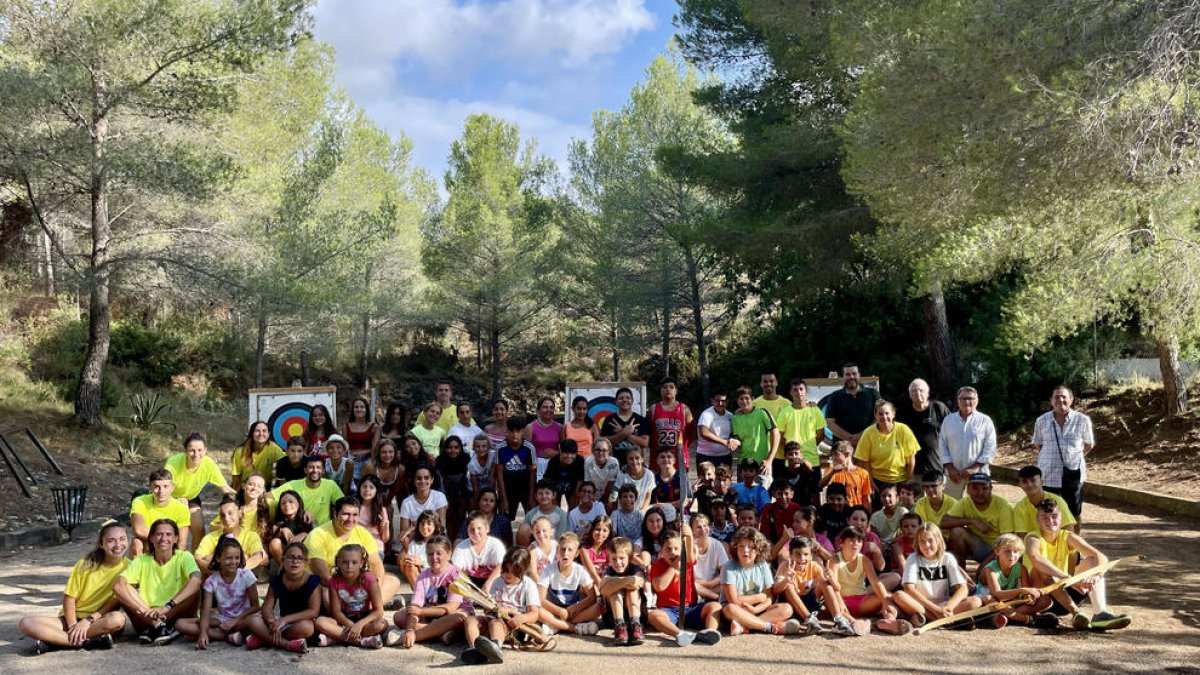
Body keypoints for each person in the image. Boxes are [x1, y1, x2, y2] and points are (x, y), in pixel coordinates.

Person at [18, 521, 129, 654]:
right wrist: (73, 626)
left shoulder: (130, 567)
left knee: (117, 619)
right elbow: (69, 598)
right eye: (111, 540)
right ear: (101, 543)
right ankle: (85, 642)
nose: (118, 545)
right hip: (72, 618)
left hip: (99, 620)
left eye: (122, 539)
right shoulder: (85, 565)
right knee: (26, 623)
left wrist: (89, 620)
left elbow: (115, 603)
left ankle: (56, 642)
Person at [1024, 499, 1131, 631]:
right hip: (1043, 599)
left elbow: (1101, 556)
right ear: (1037, 520)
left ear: (1061, 518)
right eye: (1045, 517)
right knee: (1041, 569)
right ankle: (1075, 613)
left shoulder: (1067, 536)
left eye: (1054, 516)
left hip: (1066, 590)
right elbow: (1035, 558)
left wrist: (1097, 575)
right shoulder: (1033, 537)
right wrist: (1065, 577)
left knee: (1092, 561)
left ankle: (1100, 613)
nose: (1050, 521)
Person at [113, 519, 201, 645]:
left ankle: (159, 628)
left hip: (176, 611)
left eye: (168, 534)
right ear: (151, 538)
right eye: (159, 534)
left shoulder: (184, 556)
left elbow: (196, 580)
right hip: (147, 616)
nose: (163, 538)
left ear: (176, 538)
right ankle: (157, 625)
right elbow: (118, 586)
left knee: (194, 586)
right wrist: (145, 611)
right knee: (123, 589)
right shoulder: (142, 560)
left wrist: (167, 607)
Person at [306, 497, 403, 604]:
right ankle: (363, 608)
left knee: (392, 581)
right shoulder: (317, 535)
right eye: (346, 514)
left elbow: (376, 564)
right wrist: (347, 593)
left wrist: (375, 591)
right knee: (325, 592)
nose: (350, 519)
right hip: (330, 587)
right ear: (335, 513)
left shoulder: (362, 532)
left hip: (356, 586)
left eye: (355, 515)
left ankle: (368, 607)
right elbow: (323, 575)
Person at [824, 526, 918, 635]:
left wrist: (885, 601)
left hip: (862, 602)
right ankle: (853, 622)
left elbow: (875, 582)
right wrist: (840, 602)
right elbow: (834, 588)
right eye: (852, 540)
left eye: (859, 541)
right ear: (842, 543)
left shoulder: (864, 560)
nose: (856, 544)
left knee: (887, 597)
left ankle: (889, 621)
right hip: (842, 600)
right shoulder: (835, 560)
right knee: (835, 603)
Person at [395, 534, 481, 649]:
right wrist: (410, 629)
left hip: (453, 614)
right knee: (399, 617)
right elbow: (415, 606)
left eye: (439, 553)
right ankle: (441, 633)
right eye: (430, 554)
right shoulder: (423, 576)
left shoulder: (456, 574)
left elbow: (451, 607)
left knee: (459, 617)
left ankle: (416, 636)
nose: (434, 557)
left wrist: (420, 613)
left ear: (449, 554)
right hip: (433, 615)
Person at [177, 537, 259, 648]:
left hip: (243, 618)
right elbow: (206, 611)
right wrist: (203, 633)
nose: (233, 562)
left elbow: (255, 606)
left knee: (254, 621)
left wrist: (235, 620)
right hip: (222, 620)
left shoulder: (247, 575)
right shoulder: (211, 581)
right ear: (218, 558)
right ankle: (226, 636)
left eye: (237, 558)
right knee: (180, 624)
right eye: (228, 558)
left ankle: (221, 634)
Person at [647, 527, 724, 646]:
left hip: (690, 608)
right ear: (661, 550)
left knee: (715, 606)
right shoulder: (657, 565)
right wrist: (673, 568)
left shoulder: (686, 561)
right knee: (653, 615)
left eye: (676, 548)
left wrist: (688, 537)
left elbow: (691, 555)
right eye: (668, 549)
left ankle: (710, 632)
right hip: (668, 610)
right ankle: (679, 634)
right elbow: (659, 586)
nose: (673, 552)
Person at [1031, 386, 1094, 529]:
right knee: (1047, 512)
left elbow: (1089, 444)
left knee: (1074, 512)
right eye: (1056, 397)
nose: (1060, 400)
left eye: (1064, 396)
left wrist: (1073, 458)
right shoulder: (1041, 420)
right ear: (1051, 400)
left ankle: (1075, 542)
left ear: (1071, 399)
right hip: (1048, 475)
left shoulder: (1082, 420)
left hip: (1073, 474)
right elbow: (1039, 444)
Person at [314, 543, 398, 649]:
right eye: (345, 562)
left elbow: (378, 611)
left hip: (364, 620)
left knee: (381, 624)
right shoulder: (334, 582)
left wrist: (359, 625)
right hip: (343, 621)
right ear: (338, 562)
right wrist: (350, 625)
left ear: (361, 563)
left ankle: (337, 638)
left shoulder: (370, 579)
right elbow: (336, 612)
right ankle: (362, 641)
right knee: (320, 622)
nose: (349, 566)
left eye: (354, 562)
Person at [901, 522, 983, 628]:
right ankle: (945, 620)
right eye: (922, 541)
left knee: (975, 601)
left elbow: (963, 588)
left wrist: (948, 607)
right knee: (899, 596)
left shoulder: (947, 558)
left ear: (938, 541)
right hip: (922, 604)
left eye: (930, 540)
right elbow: (908, 588)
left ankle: (933, 619)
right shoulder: (913, 558)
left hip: (943, 604)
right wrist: (936, 610)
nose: (926, 545)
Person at [721, 526, 800, 635]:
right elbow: (734, 601)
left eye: (751, 547)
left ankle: (746, 626)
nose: (745, 551)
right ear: (735, 548)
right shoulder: (728, 567)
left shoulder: (762, 565)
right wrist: (759, 597)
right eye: (741, 547)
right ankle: (770, 627)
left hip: (758, 609)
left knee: (787, 609)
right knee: (730, 608)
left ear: (759, 550)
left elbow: (769, 597)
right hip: (737, 611)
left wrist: (756, 610)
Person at [165, 432, 236, 551]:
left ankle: (194, 560)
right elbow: (164, 487)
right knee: (179, 533)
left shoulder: (208, 464)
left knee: (199, 528)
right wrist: (176, 502)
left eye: (200, 450)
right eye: (192, 451)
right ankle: (174, 558)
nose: (196, 454)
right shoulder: (174, 462)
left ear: (205, 450)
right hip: (169, 498)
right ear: (185, 451)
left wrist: (245, 497)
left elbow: (225, 488)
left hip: (191, 498)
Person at [244, 541, 318, 653]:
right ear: (283, 560)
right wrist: (271, 623)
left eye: (300, 558)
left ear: (305, 562)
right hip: (281, 624)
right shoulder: (277, 580)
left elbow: (313, 611)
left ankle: (265, 638)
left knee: (308, 627)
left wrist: (285, 619)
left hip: (299, 623)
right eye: (291, 557)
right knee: (252, 620)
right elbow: (266, 607)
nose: (295, 561)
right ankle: (287, 644)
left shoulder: (312, 581)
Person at [977, 533, 1058, 629]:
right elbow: (997, 594)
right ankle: (1027, 619)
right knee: (992, 601)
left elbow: (1026, 592)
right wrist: (1021, 591)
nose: (1011, 555)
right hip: (990, 601)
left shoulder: (1021, 568)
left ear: (1020, 554)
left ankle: (1008, 617)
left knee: (1046, 601)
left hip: (1009, 603)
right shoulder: (990, 569)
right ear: (997, 551)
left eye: (1016, 551)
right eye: (1007, 551)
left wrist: (1029, 598)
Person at [477, 548, 541, 662]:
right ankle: (473, 648)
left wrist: (522, 618)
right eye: (506, 570)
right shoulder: (497, 582)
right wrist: (487, 606)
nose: (508, 574)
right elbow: (488, 610)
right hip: (494, 618)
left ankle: (496, 648)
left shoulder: (528, 585)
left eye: (514, 572)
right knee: (471, 620)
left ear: (523, 570)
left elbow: (534, 614)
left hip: (512, 625)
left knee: (495, 622)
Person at [853, 400, 919, 507]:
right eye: (880, 414)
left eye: (887, 413)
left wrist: (909, 480)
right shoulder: (868, 433)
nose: (884, 417)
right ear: (875, 416)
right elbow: (864, 460)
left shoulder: (903, 430)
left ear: (893, 414)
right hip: (877, 481)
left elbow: (911, 458)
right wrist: (870, 481)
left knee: (902, 512)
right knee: (878, 511)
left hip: (900, 480)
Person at [536, 532, 604, 635]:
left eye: (570, 550)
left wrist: (572, 609)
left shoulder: (580, 570)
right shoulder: (549, 570)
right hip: (553, 611)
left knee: (599, 607)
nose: (565, 553)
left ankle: (556, 625)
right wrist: (559, 611)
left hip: (573, 612)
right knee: (536, 609)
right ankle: (574, 628)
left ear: (576, 553)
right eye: (563, 549)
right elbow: (540, 599)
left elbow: (592, 596)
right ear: (558, 551)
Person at [941, 472, 1013, 566]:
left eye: (984, 488)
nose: (980, 493)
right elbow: (943, 522)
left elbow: (1007, 541)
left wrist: (984, 565)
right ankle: (960, 571)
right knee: (956, 532)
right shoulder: (966, 502)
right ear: (968, 489)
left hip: (999, 551)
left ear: (991, 489)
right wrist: (972, 521)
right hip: (978, 547)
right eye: (975, 488)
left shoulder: (1003, 506)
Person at [938, 386, 997, 498]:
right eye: (963, 398)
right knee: (951, 505)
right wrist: (950, 468)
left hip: (978, 473)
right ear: (958, 401)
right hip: (954, 474)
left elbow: (990, 447)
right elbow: (942, 445)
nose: (967, 401)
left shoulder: (985, 421)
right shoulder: (948, 420)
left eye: (971, 398)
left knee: (979, 503)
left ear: (977, 400)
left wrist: (974, 468)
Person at [894, 378, 950, 478]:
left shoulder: (938, 408)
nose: (917, 393)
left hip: (936, 468)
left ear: (928, 393)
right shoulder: (904, 412)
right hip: (912, 471)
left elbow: (951, 435)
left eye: (921, 390)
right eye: (914, 391)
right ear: (910, 395)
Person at [194, 496, 266, 572]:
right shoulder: (210, 537)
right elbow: (198, 557)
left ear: (240, 513)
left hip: (243, 576)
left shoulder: (251, 536)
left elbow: (258, 556)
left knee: (244, 557)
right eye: (223, 515)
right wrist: (215, 570)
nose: (226, 518)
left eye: (230, 513)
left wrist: (236, 571)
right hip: (217, 575)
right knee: (207, 559)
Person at [771, 536, 827, 634]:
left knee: (826, 584)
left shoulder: (815, 566)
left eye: (806, 554)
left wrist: (829, 580)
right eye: (797, 554)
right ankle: (809, 619)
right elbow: (774, 591)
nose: (802, 558)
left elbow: (827, 588)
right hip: (792, 605)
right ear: (790, 555)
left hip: (810, 604)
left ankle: (839, 619)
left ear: (811, 555)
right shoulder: (785, 566)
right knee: (788, 585)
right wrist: (786, 580)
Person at [130, 469, 192, 556]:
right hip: (149, 545)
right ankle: (139, 565)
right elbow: (139, 530)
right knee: (137, 543)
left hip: (169, 547)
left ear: (172, 487)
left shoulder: (181, 508)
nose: (161, 491)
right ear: (150, 487)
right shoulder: (139, 502)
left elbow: (182, 542)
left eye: (166, 486)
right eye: (156, 487)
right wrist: (161, 540)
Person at [599, 537, 646, 646]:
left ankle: (635, 625)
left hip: (636, 613)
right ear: (609, 558)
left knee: (632, 590)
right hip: (612, 616)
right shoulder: (608, 570)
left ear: (630, 558)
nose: (618, 562)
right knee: (615, 591)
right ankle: (620, 626)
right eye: (614, 559)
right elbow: (603, 590)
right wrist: (627, 580)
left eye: (622, 558)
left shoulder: (635, 569)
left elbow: (638, 582)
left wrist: (613, 581)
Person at [273, 455, 345, 527]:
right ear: (305, 470)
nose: (315, 470)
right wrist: (302, 512)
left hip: (324, 529)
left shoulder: (330, 485)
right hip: (301, 528)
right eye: (311, 467)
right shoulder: (293, 485)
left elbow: (343, 504)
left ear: (323, 471)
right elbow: (270, 496)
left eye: (318, 467)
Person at [775, 379, 827, 477]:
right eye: (795, 390)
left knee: (814, 487)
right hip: (792, 462)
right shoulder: (784, 413)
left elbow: (821, 435)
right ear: (790, 392)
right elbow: (780, 437)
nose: (799, 392)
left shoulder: (815, 410)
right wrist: (791, 450)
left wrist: (810, 446)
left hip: (812, 460)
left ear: (805, 391)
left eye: (801, 389)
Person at [730, 386, 781, 478]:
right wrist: (733, 443)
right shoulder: (735, 418)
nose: (744, 401)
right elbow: (738, 442)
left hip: (762, 464)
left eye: (747, 398)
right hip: (743, 464)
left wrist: (769, 460)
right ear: (737, 400)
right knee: (742, 488)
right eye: (741, 399)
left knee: (763, 488)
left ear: (752, 399)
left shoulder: (762, 413)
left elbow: (776, 434)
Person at [824, 363, 881, 446]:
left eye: (854, 373)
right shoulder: (834, 396)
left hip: (869, 443)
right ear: (843, 377)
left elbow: (879, 418)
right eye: (847, 374)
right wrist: (850, 438)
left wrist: (861, 436)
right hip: (842, 447)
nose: (851, 377)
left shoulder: (873, 394)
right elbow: (830, 423)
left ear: (859, 375)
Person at [1013, 465, 1077, 535]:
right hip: (1032, 541)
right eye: (1024, 481)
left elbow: (1069, 530)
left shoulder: (1057, 501)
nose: (1029, 484)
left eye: (1033, 480)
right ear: (1020, 484)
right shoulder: (1019, 507)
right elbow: (1021, 535)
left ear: (1041, 482)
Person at [396, 465, 449, 549]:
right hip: (414, 541)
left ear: (432, 480)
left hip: (436, 540)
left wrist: (414, 526)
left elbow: (441, 526)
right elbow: (403, 533)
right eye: (419, 478)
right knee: (402, 557)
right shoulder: (407, 502)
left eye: (426, 478)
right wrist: (411, 549)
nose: (422, 481)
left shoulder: (439, 497)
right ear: (413, 481)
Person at [452, 511, 507, 590]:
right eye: (472, 529)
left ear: (487, 528)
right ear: (467, 530)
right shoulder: (461, 547)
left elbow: (501, 566)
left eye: (479, 528)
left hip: (492, 582)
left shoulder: (495, 544)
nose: (476, 532)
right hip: (470, 584)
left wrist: (488, 584)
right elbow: (455, 570)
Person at [599, 387, 650, 469]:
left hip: (636, 464)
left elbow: (644, 443)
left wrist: (624, 433)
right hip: (614, 464)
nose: (624, 400)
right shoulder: (609, 419)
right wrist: (623, 433)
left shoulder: (640, 419)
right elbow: (604, 443)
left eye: (628, 398)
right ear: (616, 402)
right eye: (621, 398)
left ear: (632, 401)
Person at [649, 377, 693, 470]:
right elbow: (648, 434)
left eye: (671, 387)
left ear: (676, 391)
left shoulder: (684, 409)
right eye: (665, 387)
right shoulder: (653, 409)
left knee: (680, 480)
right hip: (658, 459)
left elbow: (692, 434)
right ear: (661, 391)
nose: (668, 389)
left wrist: (682, 446)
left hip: (679, 458)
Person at [497, 416, 536, 520]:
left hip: (525, 486)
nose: (515, 434)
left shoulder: (529, 448)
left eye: (518, 431)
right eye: (511, 431)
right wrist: (503, 499)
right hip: (508, 487)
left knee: (532, 518)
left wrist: (531, 496)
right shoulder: (500, 448)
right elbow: (499, 474)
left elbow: (533, 472)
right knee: (505, 519)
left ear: (523, 431)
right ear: (507, 431)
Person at [231, 421, 285, 491]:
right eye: (257, 431)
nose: (261, 434)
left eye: (264, 431)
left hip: (265, 487)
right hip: (246, 488)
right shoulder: (240, 452)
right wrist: (237, 495)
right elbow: (236, 477)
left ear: (268, 434)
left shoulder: (274, 448)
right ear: (251, 434)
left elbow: (285, 463)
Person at [436, 435, 471, 537]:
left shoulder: (466, 459)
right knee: (449, 519)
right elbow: (439, 483)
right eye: (449, 447)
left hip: (462, 493)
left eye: (456, 447)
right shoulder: (440, 461)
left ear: (460, 448)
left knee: (461, 517)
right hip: (446, 494)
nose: (453, 450)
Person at [820, 441, 872, 508]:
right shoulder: (831, 471)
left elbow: (866, 498)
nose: (833, 458)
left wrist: (867, 513)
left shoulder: (863, 473)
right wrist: (832, 472)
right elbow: (820, 485)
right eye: (832, 455)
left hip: (854, 511)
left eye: (836, 454)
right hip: (837, 510)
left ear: (847, 454)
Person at [401, 511, 446, 588]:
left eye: (429, 524)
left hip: (437, 580)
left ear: (435, 526)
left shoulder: (441, 543)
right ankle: (420, 592)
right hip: (419, 578)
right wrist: (405, 562)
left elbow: (443, 566)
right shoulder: (414, 543)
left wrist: (422, 563)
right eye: (422, 524)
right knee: (409, 566)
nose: (424, 527)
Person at [517, 481, 568, 547]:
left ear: (554, 495)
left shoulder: (561, 514)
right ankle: (525, 552)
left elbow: (561, 537)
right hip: (535, 547)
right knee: (523, 528)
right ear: (536, 496)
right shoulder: (530, 514)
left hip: (554, 547)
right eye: (540, 493)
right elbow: (524, 534)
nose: (544, 496)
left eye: (547, 493)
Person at [267, 490, 310, 566]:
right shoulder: (278, 524)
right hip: (285, 556)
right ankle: (284, 568)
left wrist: (303, 535)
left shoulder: (306, 518)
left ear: (298, 503)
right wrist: (282, 531)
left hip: (305, 555)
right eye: (283, 503)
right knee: (275, 542)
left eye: (291, 502)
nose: (287, 505)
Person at [691, 514, 729, 601]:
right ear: (692, 530)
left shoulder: (716, 544)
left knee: (727, 583)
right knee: (691, 586)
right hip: (696, 585)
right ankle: (716, 598)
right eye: (698, 527)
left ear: (709, 527)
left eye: (705, 526)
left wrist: (710, 583)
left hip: (713, 585)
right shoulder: (689, 546)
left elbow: (726, 570)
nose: (703, 529)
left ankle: (705, 596)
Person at [361, 438, 405, 511]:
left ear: (395, 453)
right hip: (369, 499)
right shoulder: (370, 467)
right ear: (378, 453)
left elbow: (396, 490)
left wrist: (387, 504)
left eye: (391, 452)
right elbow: (363, 488)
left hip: (387, 499)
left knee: (389, 510)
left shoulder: (400, 469)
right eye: (384, 452)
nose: (388, 455)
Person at [696, 391, 737, 469]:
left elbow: (733, 434)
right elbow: (704, 433)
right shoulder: (706, 414)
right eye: (717, 400)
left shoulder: (730, 416)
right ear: (712, 401)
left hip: (725, 456)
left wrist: (735, 443)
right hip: (706, 456)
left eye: (723, 401)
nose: (720, 403)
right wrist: (724, 442)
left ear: (727, 401)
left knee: (726, 478)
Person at [356, 474, 392, 558]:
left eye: (371, 487)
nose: (367, 490)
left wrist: (386, 526)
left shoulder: (381, 510)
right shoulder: (354, 507)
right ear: (359, 488)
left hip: (375, 548)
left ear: (376, 491)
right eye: (364, 486)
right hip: (356, 547)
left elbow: (385, 539)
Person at [914, 470, 958, 538]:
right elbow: (921, 527)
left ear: (943, 486)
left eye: (934, 486)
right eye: (926, 486)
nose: (930, 490)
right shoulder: (920, 503)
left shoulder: (953, 504)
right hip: (927, 538)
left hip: (948, 539)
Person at [342, 397, 378, 480]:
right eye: (356, 407)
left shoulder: (374, 427)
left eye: (362, 407)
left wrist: (371, 460)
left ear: (366, 409)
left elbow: (375, 447)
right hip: (351, 458)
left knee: (367, 478)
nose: (359, 409)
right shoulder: (346, 426)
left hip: (368, 458)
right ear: (353, 410)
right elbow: (344, 446)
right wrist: (344, 462)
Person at [543, 438, 584, 508]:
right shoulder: (553, 462)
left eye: (573, 453)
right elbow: (549, 482)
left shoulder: (579, 461)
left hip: (573, 488)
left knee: (573, 508)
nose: (569, 456)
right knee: (555, 508)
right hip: (556, 488)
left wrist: (576, 493)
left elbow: (580, 480)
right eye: (566, 453)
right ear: (560, 451)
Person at [614, 444, 655, 512]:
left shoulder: (649, 475)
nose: (634, 461)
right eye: (631, 458)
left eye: (637, 458)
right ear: (627, 460)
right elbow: (615, 496)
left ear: (642, 459)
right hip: (623, 511)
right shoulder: (621, 475)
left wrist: (641, 512)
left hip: (641, 511)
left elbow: (647, 497)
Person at [525, 396, 563, 469]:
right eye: (545, 407)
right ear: (539, 410)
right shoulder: (530, 427)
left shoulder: (560, 427)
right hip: (536, 466)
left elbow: (565, 451)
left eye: (551, 407)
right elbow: (525, 452)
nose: (549, 410)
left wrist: (556, 453)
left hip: (555, 465)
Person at [584, 437, 620, 510]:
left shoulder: (614, 462)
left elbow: (611, 484)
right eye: (598, 450)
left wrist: (606, 501)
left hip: (607, 493)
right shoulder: (588, 461)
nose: (600, 453)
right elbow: (588, 484)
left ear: (609, 451)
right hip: (592, 493)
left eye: (604, 450)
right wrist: (593, 500)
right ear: (593, 451)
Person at [467, 433, 499, 506]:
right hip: (475, 488)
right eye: (477, 446)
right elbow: (475, 487)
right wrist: (478, 502)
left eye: (484, 446)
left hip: (489, 487)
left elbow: (496, 466)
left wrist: (492, 474)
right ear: (474, 448)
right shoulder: (472, 464)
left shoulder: (493, 456)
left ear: (488, 447)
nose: (481, 449)